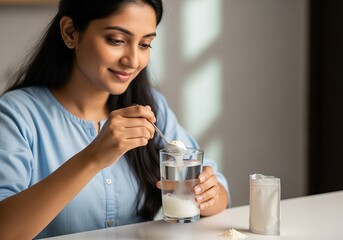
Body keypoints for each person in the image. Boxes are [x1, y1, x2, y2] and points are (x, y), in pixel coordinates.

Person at [0, 0, 229, 239]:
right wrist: (93, 158)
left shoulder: (153, 108)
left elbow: (219, 190)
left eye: (145, 44)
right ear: (70, 32)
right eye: (117, 40)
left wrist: (208, 194)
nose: (132, 60)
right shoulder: (16, 115)